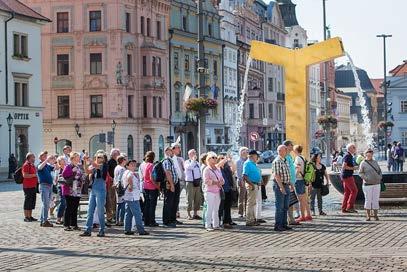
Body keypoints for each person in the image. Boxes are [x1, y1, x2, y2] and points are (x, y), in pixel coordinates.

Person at [80, 152, 107, 237]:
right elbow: (87, 171)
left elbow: (96, 166)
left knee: (100, 211)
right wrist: (84, 161)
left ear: (103, 159)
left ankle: (102, 229)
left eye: (100, 157)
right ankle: (88, 229)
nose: (98, 158)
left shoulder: (103, 165)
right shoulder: (94, 166)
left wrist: (88, 159)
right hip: (93, 190)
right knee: (90, 210)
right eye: (97, 157)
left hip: (101, 190)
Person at [123, 160, 149, 235]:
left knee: (128, 213)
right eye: (131, 164)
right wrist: (130, 185)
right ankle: (141, 230)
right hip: (133, 196)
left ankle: (127, 229)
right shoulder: (130, 173)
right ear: (127, 166)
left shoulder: (125, 172)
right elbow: (129, 178)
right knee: (137, 214)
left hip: (128, 196)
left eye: (134, 164)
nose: (134, 166)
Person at [271, 145, 292, 231]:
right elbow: (277, 175)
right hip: (280, 185)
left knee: (285, 206)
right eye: (285, 150)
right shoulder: (277, 161)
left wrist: (290, 184)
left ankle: (284, 224)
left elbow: (286, 174)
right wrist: (281, 187)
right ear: (280, 151)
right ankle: (278, 225)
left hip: (286, 184)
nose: (287, 151)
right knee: (279, 206)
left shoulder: (285, 160)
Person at [203, 151, 224, 231]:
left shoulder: (218, 169)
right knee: (210, 208)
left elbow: (222, 179)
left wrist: (222, 182)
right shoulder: (206, 169)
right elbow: (206, 181)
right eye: (213, 158)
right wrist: (215, 182)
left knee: (216, 209)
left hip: (217, 191)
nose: (215, 159)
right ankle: (208, 225)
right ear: (208, 159)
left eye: (215, 157)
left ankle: (216, 224)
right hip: (209, 191)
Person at [62, 152, 84, 231]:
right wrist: (72, 171)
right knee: (69, 207)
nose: (78, 159)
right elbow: (64, 174)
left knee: (75, 207)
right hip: (69, 189)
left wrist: (82, 181)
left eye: (78, 158)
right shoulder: (68, 166)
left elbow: (80, 175)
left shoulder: (78, 166)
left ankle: (74, 224)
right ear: (72, 158)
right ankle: (66, 224)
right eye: (76, 158)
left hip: (77, 189)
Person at [359, 148, 382, 221]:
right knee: (368, 200)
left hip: (376, 183)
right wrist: (366, 178)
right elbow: (360, 173)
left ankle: (375, 215)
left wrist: (380, 177)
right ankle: (368, 216)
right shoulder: (363, 163)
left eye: (371, 154)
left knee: (375, 200)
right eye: (368, 154)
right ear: (365, 155)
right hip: (367, 184)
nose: (369, 156)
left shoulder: (375, 162)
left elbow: (379, 171)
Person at [242, 150, 262, 226]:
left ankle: (252, 219)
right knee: (250, 203)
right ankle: (249, 220)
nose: (257, 157)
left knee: (253, 203)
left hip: (255, 184)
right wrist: (252, 184)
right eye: (256, 156)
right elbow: (244, 176)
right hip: (251, 185)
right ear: (253, 156)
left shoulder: (253, 163)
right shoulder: (247, 163)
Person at [37, 151, 56, 227]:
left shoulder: (47, 166)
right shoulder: (40, 164)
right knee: (46, 204)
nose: (46, 157)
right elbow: (40, 167)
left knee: (46, 204)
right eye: (44, 156)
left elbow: (55, 167)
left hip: (49, 186)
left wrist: (54, 160)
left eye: (46, 156)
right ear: (40, 157)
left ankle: (43, 220)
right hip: (44, 186)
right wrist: (47, 160)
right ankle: (45, 221)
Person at [293, 145, 312, 222]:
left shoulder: (297, 158)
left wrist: (294, 178)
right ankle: (308, 215)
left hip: (299, 180)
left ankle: (302, 216)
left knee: (301, 199)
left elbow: (298, 169)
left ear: (296, 150)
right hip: (303, 179)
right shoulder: (303, 157)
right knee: (304, 198)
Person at [284, 140, 300, 226]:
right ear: (287, 146)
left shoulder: (289, 155)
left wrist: (295, 166)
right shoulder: (285, 155)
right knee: (288, 201)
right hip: (289, 182)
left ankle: (291, 219)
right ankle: (289, 219)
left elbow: (290, 166)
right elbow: (286, 169)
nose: (292, 146)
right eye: (291, 145)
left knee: (291, 201)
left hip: (292, 181)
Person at [217, 154, 235, 229]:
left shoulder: (226, 168)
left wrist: (231, 160)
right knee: (220, 207)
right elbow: (218, 165)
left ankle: (226, 222)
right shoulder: (217, 168)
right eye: (221, 158)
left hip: (228, 189)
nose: (223, 160)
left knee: (227, 207)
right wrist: (225, 159)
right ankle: (217, 221)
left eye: (223, 158)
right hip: (221, 190)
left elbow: (233, 169)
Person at [162, 146, 178, 228]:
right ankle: (166, 221)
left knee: (171, 203)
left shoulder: (170, 160)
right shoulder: (166, 161)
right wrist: (172, 185)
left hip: (171, 184)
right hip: (168, 185)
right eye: (171, 150)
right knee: (168, 203)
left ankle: (170, 220)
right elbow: (168, 173)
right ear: (167, 151)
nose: (172, 152)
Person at [184, 149, 203, 220]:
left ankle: (195, 214)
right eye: (193, 153)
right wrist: (193, 160)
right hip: (190, 182)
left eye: (195, 153)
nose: (195, 154)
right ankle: (188, 214)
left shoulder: (197, 163)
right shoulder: (186, 162)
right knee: (189, 198)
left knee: (197, 198)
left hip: (197, 182)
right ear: (189, 155)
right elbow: (190, 167)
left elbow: (199, 171)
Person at [143, 151, 160, 227]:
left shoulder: (144, 165)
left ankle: (146, 221)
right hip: (152, 187)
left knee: (147, 204)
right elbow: (152, 178)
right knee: (152, 205)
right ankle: (152, 221)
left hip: (145, 186)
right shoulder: (151, 165)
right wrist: (157, 186)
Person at [341, 143, 359, 213]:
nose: (355, 149)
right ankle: (350, 207)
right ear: (350, 149)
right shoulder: (348, 156)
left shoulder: (348, 155)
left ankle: (344, 208)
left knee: (347, 192)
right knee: (354, 190)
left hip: (345, 175)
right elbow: (344, 166)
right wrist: (353, 168)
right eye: (354, 147)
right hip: (347, 176)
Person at [22, 153, 38, 222]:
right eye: (33, 157)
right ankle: (26, 217)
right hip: (27, 186)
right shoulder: (26, 165)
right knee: (27, 201)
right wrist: (34, 175)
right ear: (29, 158)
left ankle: (30, 216)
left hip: (33, 186)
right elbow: (25, 175)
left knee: (32, 201)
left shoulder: (32, 165)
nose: (34, 158)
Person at [171, 143, 185, 221]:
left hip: (180, 181)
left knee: (177, 199)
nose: (180, 149)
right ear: (173, 149)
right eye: (178, 148)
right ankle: (174, 215)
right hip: (174, 182)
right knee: (174, 199)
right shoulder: (171, 158)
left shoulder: (178, 158)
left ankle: (175, 214)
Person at [106, 148, 120, 223]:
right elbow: (107, 171)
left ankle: (114, 214)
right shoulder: (110, 162)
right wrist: (111, 178)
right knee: (111, 199)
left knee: (114, 199)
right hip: (111, 183)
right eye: (118, 154)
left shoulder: (116, 162)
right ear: (114, 155)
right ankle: (111, 215)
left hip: (115, 182)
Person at [114, 155, 127, 226]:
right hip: (121, 188)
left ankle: (117, 220)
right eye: (125, 160)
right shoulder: (122, 169)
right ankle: (121, 220)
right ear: (122, 161)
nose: (126, 161)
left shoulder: (117, 167)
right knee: (122, 204)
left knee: (118, 204)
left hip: (117, 187)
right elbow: (121, 179)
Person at [236, 147, 249, 218]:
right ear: (240, 153)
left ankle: (247, 212)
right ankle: (240, 212)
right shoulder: (238, 161)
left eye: (246, 152)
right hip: (241, 181)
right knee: (241, 197)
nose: (245, 154)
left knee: (248, 197)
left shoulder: (248, 161)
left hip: (248, 181)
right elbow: (238, 173)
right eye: (243, 152)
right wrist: (241, 181)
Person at [55, 156, 66, 225]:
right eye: (61, 161)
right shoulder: (58, 169)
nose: (63, 162)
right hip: (61, 187)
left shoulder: (66, 167)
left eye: (63, 161)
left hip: (67, 187)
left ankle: (63, 218)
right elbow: (56, 180)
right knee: (63, 202)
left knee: (66, 203)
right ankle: (58, 218)